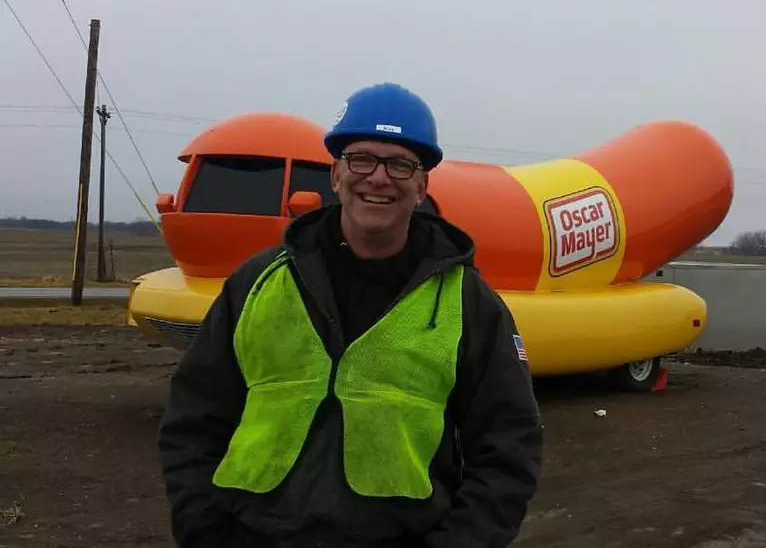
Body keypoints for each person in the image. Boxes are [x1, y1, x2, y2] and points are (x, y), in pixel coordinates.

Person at [157, 82, 543, 548]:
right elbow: (194, 417)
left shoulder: (470, 304)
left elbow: (508, 447)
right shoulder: (257, 284)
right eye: (361, 158)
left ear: (422, 186)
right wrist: (204, 529)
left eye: (401, 164)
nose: (378, 178)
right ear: (336, 175)